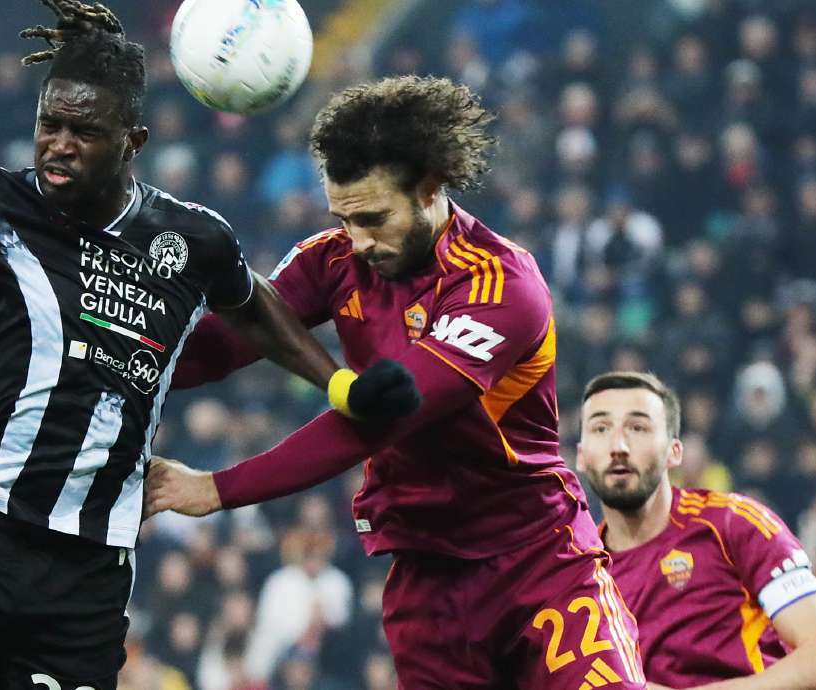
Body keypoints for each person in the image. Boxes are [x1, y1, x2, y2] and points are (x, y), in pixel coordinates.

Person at [0, 2, 417, 688]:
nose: (59, 145)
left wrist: (339, 384)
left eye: (84, 131)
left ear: (133, 140)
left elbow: (254, 306)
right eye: (49, 125)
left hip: (84, 574)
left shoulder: (192, 239)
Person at [146, 76, 644, 690]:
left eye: (374, 218)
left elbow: (379, 420)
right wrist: (111, 345)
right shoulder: (333, 259)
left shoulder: (501, 284)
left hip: (538, 561)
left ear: (430, 189)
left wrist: (216, 489)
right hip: (426, 580)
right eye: (344, 218)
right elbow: (219, 348)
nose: (358, 240)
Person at [575, 371, 816, 690]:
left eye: (638, 427)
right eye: (601, 428)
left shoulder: (734, 524)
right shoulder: (579, 580)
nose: (619, 446)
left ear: (674, 451)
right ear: (581, 456)